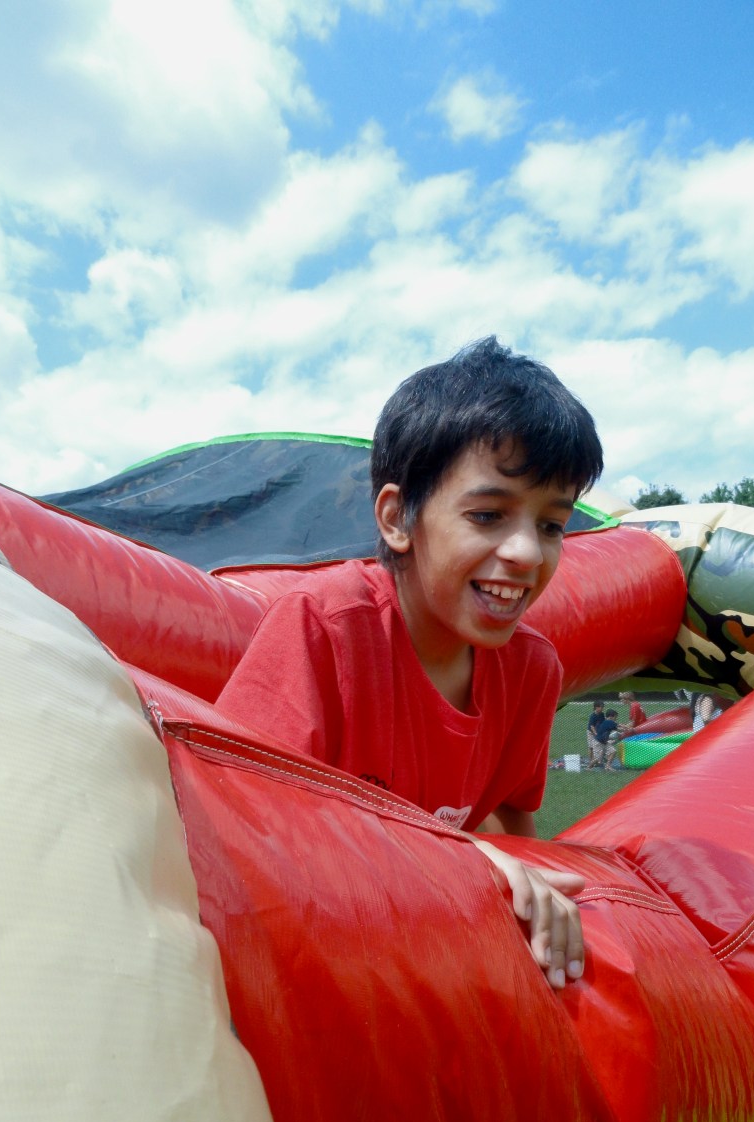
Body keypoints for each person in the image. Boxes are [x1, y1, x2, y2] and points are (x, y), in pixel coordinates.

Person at [218, 337, 603, 988]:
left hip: (422, 958)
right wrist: (457, 859)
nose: (526, 553)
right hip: (305, 952)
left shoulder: (532, 671)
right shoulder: (326, 628)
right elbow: (243, 822)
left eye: (551, 525)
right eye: (488, 515)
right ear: (398, 519)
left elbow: (515, 818)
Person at [585, 700, 605, 767]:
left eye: (603, 707)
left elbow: (603, 723)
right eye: (601, 707)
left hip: (598, 732)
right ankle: (591, 761)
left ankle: (597, 760)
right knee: (591, 747)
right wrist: (595, 733)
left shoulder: (602, 714)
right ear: (596, 707)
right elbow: (592, 726)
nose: (602, 708)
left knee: (597, 747)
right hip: (591, 732)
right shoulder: (593, 715)